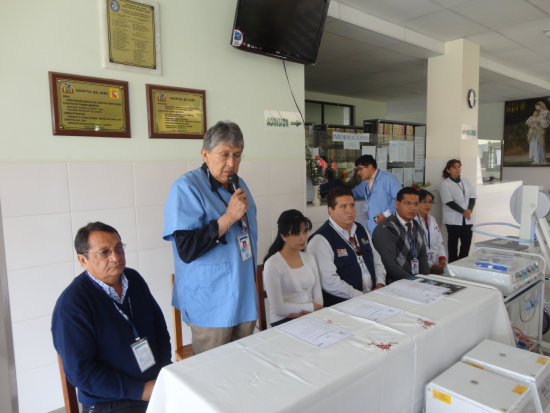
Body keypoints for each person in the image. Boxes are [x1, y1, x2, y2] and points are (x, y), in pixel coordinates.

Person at [52, 222, 171, 413]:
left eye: (119, 248)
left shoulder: (134, 279)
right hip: (110, 400)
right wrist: (140, 390)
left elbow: (160, 329)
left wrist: (164, 371)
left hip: (154, 384)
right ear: (83, 260)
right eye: (104, 252)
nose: (116, 257)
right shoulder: (72, 304)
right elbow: (81, 374)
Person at [163, 120, 258, 354]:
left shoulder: (238, 184)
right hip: (211, 304)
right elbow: (187, 249)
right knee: (213, 376)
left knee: (242, 369)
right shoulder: (186, 188)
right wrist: (227, 218)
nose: (231, 163)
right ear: (205, 155)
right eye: (224, 155)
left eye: (237, 155)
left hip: (243, 297)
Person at [308, 186, 386, 306]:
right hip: (342, 305)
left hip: (373, 297)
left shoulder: (361, 229)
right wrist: (362, 297)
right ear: (330, 210)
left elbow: (376, 260)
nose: (350, 210)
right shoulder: (320, 240)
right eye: (343, 206)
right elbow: (329, 282)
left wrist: (380, 285)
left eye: (352, 205)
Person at [263, 209, 323, 326]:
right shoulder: (272, 263)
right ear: (283, 236)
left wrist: (312, 310)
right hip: (284, 321)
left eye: (305, 232)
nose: (303, 238)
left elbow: (319, 300)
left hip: (312, 316)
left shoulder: (309, 258)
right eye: (296, 233)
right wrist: (311, 308)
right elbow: (278, 308)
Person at [372, 187, 430, 283]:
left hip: (417, 281)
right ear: (397, 204)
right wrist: (414, 281)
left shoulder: (417, 225)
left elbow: (423, 257)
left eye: (416, 204)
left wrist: (426, 280)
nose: (412, 208)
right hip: (394, 283)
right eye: (407, 203)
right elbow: (389, 265)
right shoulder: (385, 228)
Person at [352, 154, 402, 234]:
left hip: (389, 226)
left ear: (370, 167)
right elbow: (353, 193)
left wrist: (385, 214)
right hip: (373, 227)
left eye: (360, 169)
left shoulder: (388, 179)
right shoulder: (365, 183)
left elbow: (400, 200)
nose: (358, 172)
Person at [440, 159, 476, 263]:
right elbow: (448, 201)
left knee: (466, 244)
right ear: (448, 170)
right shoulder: (445, 184)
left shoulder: (466, 181)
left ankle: (462, 266)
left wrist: (469, 210)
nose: (457, 169)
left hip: (467, 219)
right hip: (453, 220)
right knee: (453, 246)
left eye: (459, 167)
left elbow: (472, 197)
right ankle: (452, 267)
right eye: (454, 167)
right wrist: (463, 212)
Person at [414, 189, 447, 275]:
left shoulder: (432, 220)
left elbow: (439, 243)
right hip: (420, 266)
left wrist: (442, 259)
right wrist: (430, 265)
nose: (428, 205)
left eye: (430, 202)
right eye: (424, 202)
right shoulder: (412, 221)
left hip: (436, 263)